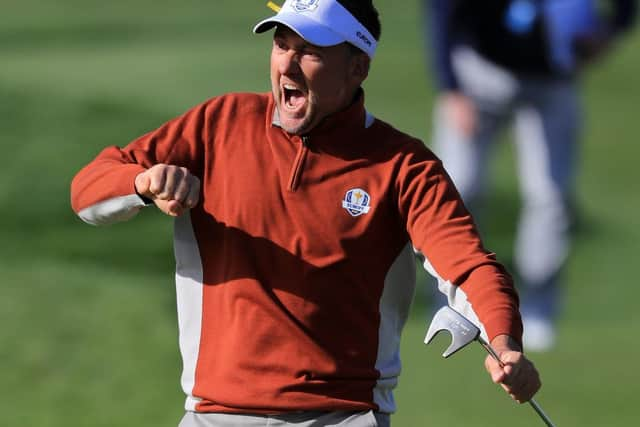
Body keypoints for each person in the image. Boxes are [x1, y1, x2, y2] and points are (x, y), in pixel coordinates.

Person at [71, 1, 542, 425]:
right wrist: (142, 183)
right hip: (215, 415)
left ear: (357, 67)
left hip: (345, 417)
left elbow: (468, 264)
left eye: (311, 50)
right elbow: (88, 190)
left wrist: (504, 344)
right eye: (281, 44)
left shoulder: (403, 165)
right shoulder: (219, 124)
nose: (287, 64)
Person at [424, 0, 637, 351]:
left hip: (553, 82)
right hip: (478, 72)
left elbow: (624, 9)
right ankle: (451, 298)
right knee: (459, 188)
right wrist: (451, 89)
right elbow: (442, 11)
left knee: (550, 195)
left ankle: (537, 309)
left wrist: (612, 31)